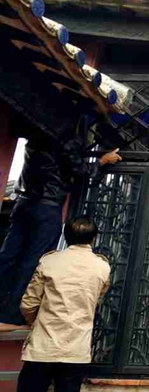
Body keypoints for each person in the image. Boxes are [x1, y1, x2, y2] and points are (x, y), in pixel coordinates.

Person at [0, 131, 120, 332]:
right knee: (32, 262)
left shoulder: (36, 135)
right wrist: (102, 161)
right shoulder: (66, 138)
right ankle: (11, 316)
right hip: (47, 207)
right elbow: (82, 171)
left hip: (23, 202)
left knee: (7, 257)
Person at [17, 216, 110, 392]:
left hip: (43, 347)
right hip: (75, 349)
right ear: (93, 238)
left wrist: (35, 322)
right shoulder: (102, 267)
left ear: (65, 236)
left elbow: (29, 303)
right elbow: (97, 297)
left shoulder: (49, 262)